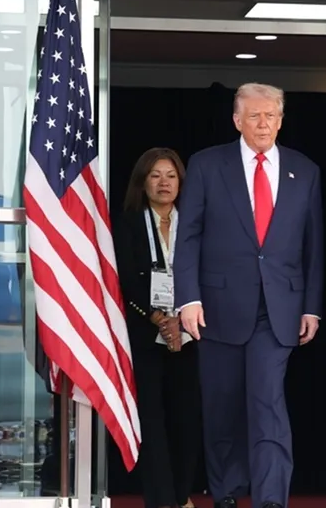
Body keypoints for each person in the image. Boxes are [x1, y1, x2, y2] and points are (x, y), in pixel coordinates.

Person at [174, 83, 324, 508]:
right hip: (217, 306)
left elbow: (313, 245)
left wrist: (312, 307)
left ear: (281, 120)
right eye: (254, 116)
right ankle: (226, 491)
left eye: (271, 116)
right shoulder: (207, 164)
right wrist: (188, 298)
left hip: (278, 309)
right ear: (237, 120)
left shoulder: (304, 170)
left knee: (267, 401)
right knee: (222, 405)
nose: (263, 124)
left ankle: (271, 497)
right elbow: (188, 236)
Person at [114, 147, 202, 508]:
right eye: (155, 175)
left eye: (171, 175)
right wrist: (157, 317)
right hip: (145, 332)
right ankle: (161, 499)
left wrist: (180, 318)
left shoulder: (195, 223)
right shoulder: (128, 223)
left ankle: (181, 496)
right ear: (142, 182)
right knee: (152, 419)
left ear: (181, 182)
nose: (164, 183)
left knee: (186, 418)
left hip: (190, 332)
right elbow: (124, 277)